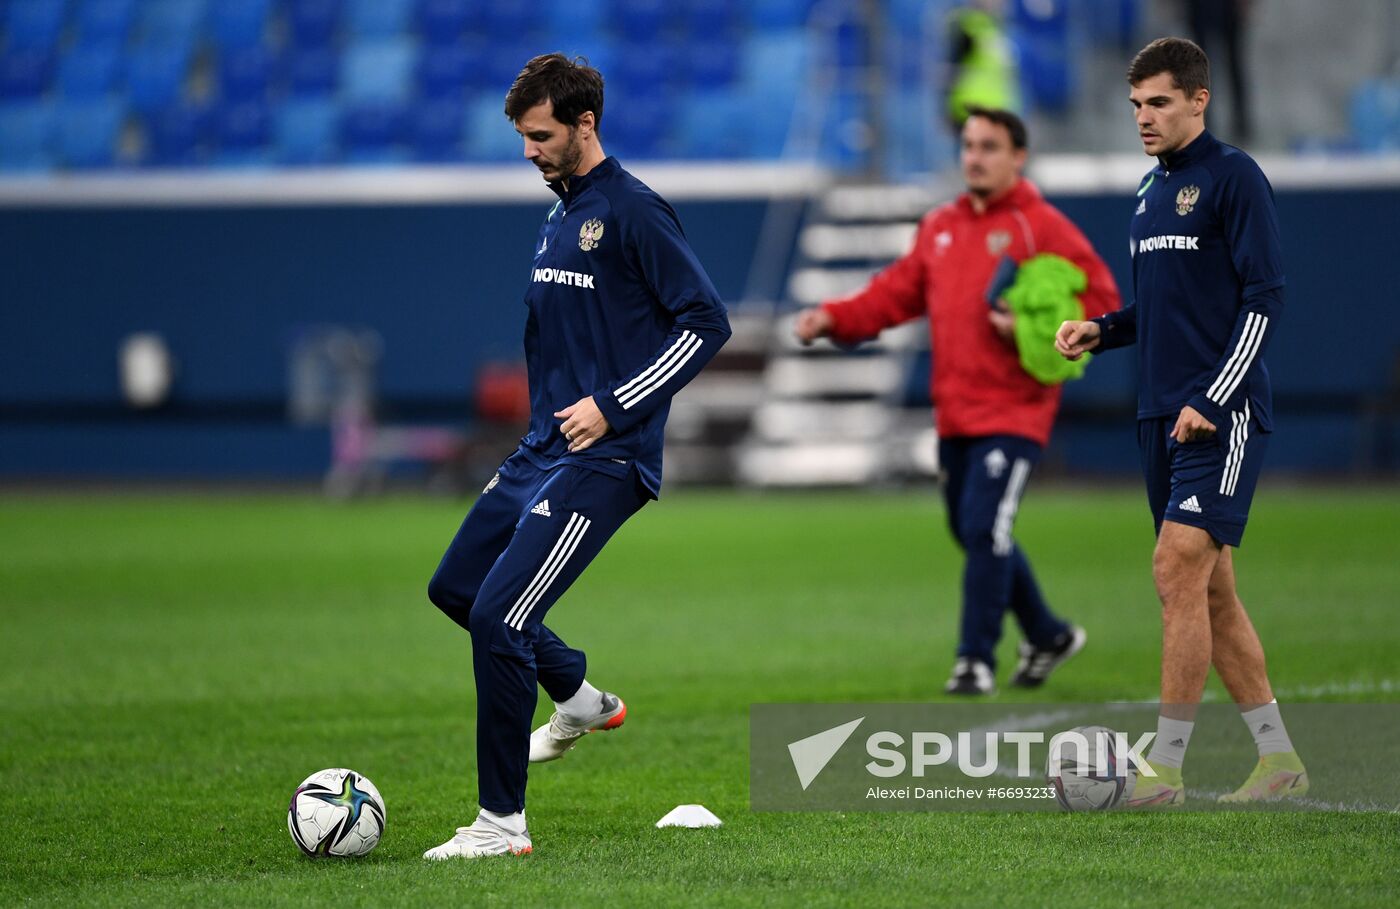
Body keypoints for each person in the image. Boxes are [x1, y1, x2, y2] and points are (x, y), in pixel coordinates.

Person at [422, 53, 731, 858]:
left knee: (499, 615)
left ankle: (500, 825)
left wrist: (616, 405)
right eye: (523, 136)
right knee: (456, 588)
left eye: (540, 135)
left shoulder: (633, 210)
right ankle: (579, 694)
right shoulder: (559, 213)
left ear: (584, 124)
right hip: (541, 452)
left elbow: (706, 322)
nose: (528, 150)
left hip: (605, 458)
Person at [1056, 37, 1306, 807]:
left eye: (1159, 102)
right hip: (1158, 415)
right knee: (1212, 591)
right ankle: (1279, 763)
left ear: (1199, 99)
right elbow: (1162, 308)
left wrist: (1216, 397)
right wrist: (1101, 329)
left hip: (1217, 417)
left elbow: (1264, 296)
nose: (1144, 117)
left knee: (1174, 570)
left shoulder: (1234, 179)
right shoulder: (1147, 192)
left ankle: (1162, 770)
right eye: (1135, 104)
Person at [796, 107, 1120, 696]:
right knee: (973, 528)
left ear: (1017, 157)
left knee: (985, 528)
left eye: (989, 146)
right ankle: (1047, 634)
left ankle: (973, 661)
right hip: (957, 410)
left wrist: (1030, 321)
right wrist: (834, 318)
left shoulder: (1041, 227)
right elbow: (894, 294)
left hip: (1017, 407)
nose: (974, 157)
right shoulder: (940, 225)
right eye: (969, 146)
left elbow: (1101, 300)